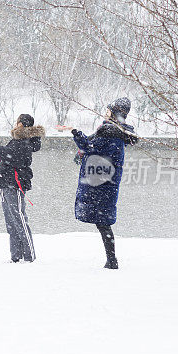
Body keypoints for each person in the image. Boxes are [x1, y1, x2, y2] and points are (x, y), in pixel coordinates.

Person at [62, 98, 138, 269]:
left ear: (115, 113)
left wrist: (75, 132)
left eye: (109, 110)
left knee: (103, 224)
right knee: (103, 223)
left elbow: (89, 146)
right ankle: (111, 260)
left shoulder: (109, 132)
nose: (106, 112)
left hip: (101, 185)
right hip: (106, 183)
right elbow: (94, 146)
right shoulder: (115, 132)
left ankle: (112, 261)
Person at [0, 114, 45, 263]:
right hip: (5, 184)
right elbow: (0, 157)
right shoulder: (17, 140)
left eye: (17, 122)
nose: (15, 124)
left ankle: (30, 257)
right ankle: (16, 257)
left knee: (19, 220)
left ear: (20, 124)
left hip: (14, 185)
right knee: (11, 223)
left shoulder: (24, 141)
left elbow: (6, 156)